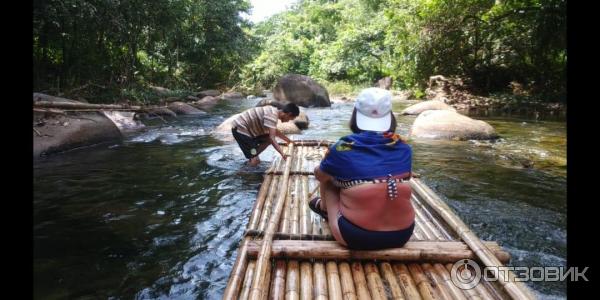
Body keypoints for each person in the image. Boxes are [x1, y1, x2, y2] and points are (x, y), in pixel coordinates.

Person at [310, 87, 415, 250]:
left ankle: (325, 210)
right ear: (390, 116)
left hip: (356, 236)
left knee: (329, 179)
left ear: (355, 115)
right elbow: (404, 175)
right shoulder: (403, 147)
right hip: (403, 234)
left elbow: (320, 176)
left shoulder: (343, 147)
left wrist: (325, 165)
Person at [231, 103, 300, 166]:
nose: (288, 121)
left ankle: (252, 156)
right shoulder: (272, 116)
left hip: (247, 131)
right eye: (290, 119)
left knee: (267, 140)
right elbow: (272, 138)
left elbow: (274, 131)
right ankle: (244, 173)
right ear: (288, 114)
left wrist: (288, 140)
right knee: (256, 161)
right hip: (240, 130)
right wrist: (282, 154)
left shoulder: (273, 111)